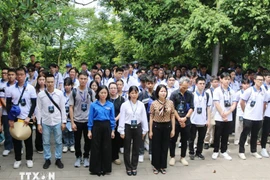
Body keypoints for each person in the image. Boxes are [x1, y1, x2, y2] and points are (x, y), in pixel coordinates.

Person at [6, 67, 37, 169]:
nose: (19, 76)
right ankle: (18, 159)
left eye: (22, 74)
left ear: (25, 75)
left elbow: (33, 104)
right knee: (16, 139)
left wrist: (29, 117)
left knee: (28, 140)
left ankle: (29, 159)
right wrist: (10, 119)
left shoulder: (31, 88)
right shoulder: (10, 89)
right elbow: (8, 104)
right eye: (18, 74)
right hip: (15, 119)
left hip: (27, 119)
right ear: (15, 75)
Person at [36, 74, 66, 169]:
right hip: (45, 122)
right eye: (48, 82)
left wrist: (63, 121)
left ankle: (58, 159)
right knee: (46, 142)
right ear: (45, 82)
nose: (50, 84)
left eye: (52, 82)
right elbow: (39, 109)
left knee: (58, 141)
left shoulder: (59, 93)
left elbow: (62, 108)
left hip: (57, 121)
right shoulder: (41, 95)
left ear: (55, 82)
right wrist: (38, 123)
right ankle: (47, 159)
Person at [118, 86, 148, 176]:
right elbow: (122, 118)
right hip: (127, 127)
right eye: (132, 93)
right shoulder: (125, 105)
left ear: (138, 94)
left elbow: (144, 118)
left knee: (136, 148)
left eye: (135, 93)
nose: (134, 95)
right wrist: (121, 131)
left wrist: (144, 130)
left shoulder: (141, 105)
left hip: (138, 127)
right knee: (127, 148)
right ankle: (128, 167)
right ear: (129, 94)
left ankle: (134, 166)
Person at [88, 85, 115, 176]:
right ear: (98, 93)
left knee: (106, 147)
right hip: (96, 126)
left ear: (107, 94)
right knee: (96, 147)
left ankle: (105, 168)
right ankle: (96, 169)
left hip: (107, 126)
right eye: (101, 92)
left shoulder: (110, 105)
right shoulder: (93, 104)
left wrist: (112, 130)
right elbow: (90, 118)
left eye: (105, 93)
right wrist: (89, 130)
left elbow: (112, 119)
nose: (103, 95)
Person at [69, 72, 95, 168]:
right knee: (77, 141)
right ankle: (78, 157)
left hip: (88, 121)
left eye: (85, 78)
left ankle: (86, 157)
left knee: (88, 140)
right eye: (81, 78)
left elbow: (95, 106)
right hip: (77, 120)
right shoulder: (74, 91)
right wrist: (72, 122)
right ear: (78, 79)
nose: (83, 80)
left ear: (87, 79)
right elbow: (71, 107)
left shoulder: (91, 91)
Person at [238, 74, 267, 160]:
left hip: (258, 117)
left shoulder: (263, 91)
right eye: (258, 79)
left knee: (255, 135)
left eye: (262, 80)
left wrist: (261, 113)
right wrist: (245, 112)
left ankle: (253, 151)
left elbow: (264, 104)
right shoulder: (249, 90)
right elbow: (242, 102)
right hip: (248, 117)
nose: (260, 81)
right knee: (244, 134)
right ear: (254, 80)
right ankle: (241, 151)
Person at [149, 84, 175, 174]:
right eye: (161, 91)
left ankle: (163, 166)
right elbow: (151, 116)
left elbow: (172, 116)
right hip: (156, 126)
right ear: (158, 92)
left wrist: (173, 129)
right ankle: (156, 166)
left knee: (165, 147)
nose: (163, 93)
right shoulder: (154, 103)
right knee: (156, 147)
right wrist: (151, 130)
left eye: (165, 91)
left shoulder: (170, 103)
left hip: (167, 126)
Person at [212, 72, 237, 161]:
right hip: (219, 116)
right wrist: (223, 113)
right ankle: (215, 151)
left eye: (228, 79)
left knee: (226, 135)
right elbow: (216, 103)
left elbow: (234, 103)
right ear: (221, 79)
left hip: (228, 117)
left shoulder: (232, 91)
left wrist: (228, 112)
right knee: (217, 134)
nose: (227, 81)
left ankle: (224, 151)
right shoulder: (217, 90)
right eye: (225, 79)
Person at [169, 76, 194, 166]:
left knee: (184, 140)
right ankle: (172, 157)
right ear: (179, 85)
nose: (185, 89)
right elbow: (172, 108)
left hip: (186, 120)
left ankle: (183, 157)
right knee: (173, 139)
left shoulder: (190, 94)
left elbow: (192, 107)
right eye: (183, 87)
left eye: (187, 87)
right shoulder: (174, 94)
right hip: (175, 120)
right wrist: (179, 118)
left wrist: (185, 118)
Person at [189, 77, 211, 160]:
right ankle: (191, 152)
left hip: (203, 120)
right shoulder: (192, 94)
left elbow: (208, 108)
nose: (202, 85)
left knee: (201, 138)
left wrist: (208, 120)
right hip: (193, 120)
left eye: (203, 84)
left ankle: (199, 152)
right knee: (192, 138)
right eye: (200, 83)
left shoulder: (207, 95)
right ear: (196, 84)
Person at [108, 82, 125, 165]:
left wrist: (115, 119)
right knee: (108, 140)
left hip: (118, 122)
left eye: (115, 88)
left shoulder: (121, 99)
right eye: (111, 88)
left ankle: (115, 157)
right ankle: (107, 157)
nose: (113, 89)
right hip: (107, 122)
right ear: (109, 89)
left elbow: (122, 111)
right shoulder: (106, 99)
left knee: (116, 140)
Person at [0, 68, 14, 156]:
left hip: (16, 112)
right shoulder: (3, 86)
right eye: (5, 74)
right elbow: (2, 98)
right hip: (6, 112)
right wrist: (9, 108)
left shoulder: (17, 85)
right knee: (7, 129)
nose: (9, 76)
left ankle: (18, 147)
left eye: (11, 74)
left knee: (17, 129)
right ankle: (8, 147)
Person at [204, 76, 220, 149]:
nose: (216, 83)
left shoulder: (220, 90)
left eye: (217, 82)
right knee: (209, 126)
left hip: (218, 110)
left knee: (215, 128)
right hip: (210, 110)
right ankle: (206, 141)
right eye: (214, 82)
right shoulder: (208, 91)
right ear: (211, 83)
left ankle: (213, 141)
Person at [234, 79, 250, 145]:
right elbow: (235, 101)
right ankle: (237, 139)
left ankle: (245, 140)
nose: (246, 86)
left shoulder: (250, 92)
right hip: (240, 111)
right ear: (242, 85)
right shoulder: (238, 93)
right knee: (238, 126)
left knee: (246, 126)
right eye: (244, 84)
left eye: (247, 84)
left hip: (248, 111)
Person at [34, 74, 47, 154]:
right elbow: (33, 104)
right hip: (37, 113)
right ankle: (38, 146)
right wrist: (33, 114)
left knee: (46, 131)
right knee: (39, 131)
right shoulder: (35, 90)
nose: (41, 81)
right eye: (40, 80)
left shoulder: (48, 90)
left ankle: (45, 145)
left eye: (43, 79)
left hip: (46, 113)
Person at [62, 77, 75, 153]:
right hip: (64, 114)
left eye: (68, 85)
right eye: (65, 85)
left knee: (72, 130)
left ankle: (72, 144)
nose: (67, 87)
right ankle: (66, 144)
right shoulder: (61, 94)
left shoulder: (74, 93)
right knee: (65, 131)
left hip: (72, 114)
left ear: (71, 85)